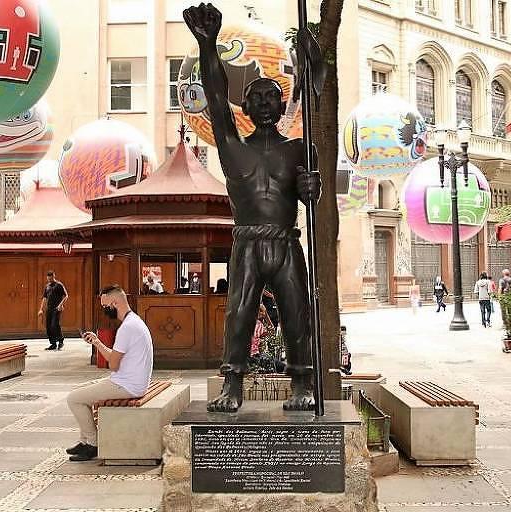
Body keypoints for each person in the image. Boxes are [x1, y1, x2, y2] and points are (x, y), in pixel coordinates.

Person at [185, 3, 322, 413]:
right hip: (246, 243)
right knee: (239, 313)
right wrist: (207, 45)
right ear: (244, 107)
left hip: (285, 242)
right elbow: (214, 92)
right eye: (255, 97)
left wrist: (310, 187)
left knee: (297, 311)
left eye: (271, 97)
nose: (263, 102)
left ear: (282, 106)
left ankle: (302, 380)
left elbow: (310, 199)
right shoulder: (231, 149)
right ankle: (232, 383)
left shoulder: (300, 149)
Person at [65, 285, 153, 462]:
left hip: (127, 386)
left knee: (74, 398)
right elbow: (115, 359)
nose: (105, 310)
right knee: (83, 392)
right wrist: (97, 342)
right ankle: (84, 441)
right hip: (132, 382)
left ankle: (92, 444)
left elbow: (113, 365)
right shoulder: (134, 321)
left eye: (106, 307)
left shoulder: (127, 328)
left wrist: (100, 347)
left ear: (115, 303)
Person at [38, 271, 68, 351]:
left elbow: (66, 296)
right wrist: (41, 309)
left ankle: (61, 341)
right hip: (49, 309)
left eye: (51, 278)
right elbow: (44, 298)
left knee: (54, 325)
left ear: (54, 276)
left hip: (57, 309)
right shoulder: (47, 286)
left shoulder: (59, 285)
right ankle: (53, 343)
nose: (49, 279)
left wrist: (60, 305)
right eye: (48, 278)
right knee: (48, 326)